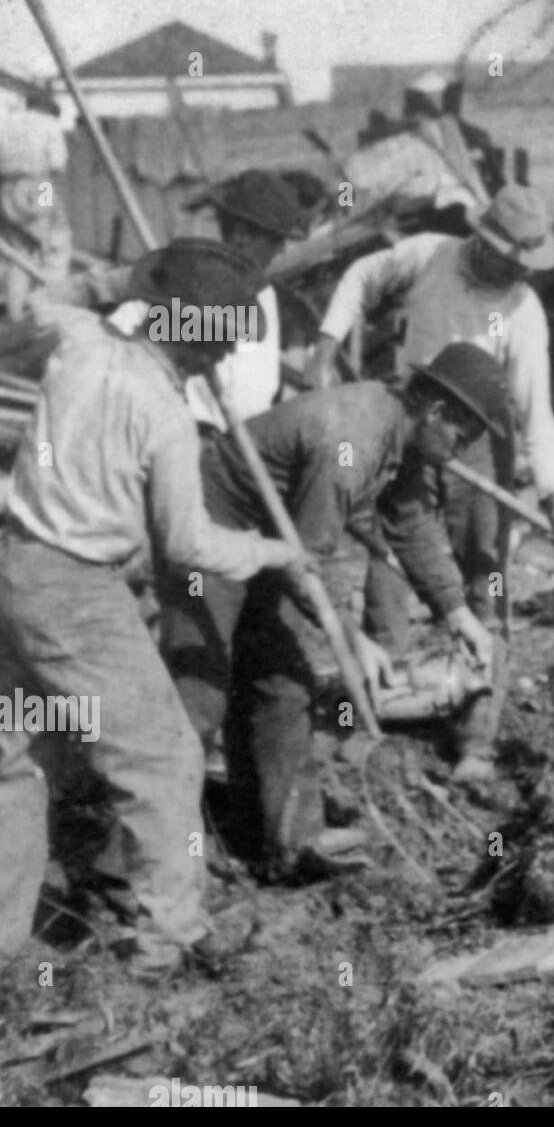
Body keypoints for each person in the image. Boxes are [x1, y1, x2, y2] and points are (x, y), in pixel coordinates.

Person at [0, 239, 301, 970]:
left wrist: (116, 275)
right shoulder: (162, 413)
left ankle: (5, 945)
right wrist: (271, 552)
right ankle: (168, 938)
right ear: (191, 335)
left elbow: (38, 304)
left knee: (19, 758)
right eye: (219, 342)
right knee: (162, 758)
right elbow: (189, 545)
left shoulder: (80, 338)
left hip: (13, 567)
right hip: (75, 594)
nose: (221, 360)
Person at [159, 342, 507, 878]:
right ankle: (147, 862)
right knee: (201, 690)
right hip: (213, 521)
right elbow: (308, 564)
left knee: (283, 679)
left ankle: (283, 844)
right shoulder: (352, 440)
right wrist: (351, 636)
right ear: (437, 411)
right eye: (461, 437)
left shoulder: (405, 435)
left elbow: (410, 521)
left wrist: (458, 614)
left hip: (278, 536)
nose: (459, 452)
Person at [305, 182, 554, 777]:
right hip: (408, 424)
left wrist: (552, 489)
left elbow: (535, 408)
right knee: (388, 563)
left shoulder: (523, 310)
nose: (516, 269)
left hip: (480, 445)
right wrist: (325, 347)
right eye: (510, 257)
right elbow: (358, 279)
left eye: (525, 262)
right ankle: (378, 712)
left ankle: (476, 735)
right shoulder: (428, 255)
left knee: (484, 575)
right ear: (486, 240)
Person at [48, 167, 304, 429]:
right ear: (242, 233)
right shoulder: (179, 278)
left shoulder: (261, 294)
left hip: (238, 436)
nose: (281, 251)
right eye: (275, 241)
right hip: (181, 429)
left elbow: (254, 386)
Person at [0, 108, 72, 318]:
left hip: (7, 188)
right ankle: (49, 308)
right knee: (52, 245)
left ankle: (15, 315)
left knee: (18, 251)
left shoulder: (4, 122)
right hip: (41, 184)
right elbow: (58, 163)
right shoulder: (49, 122)